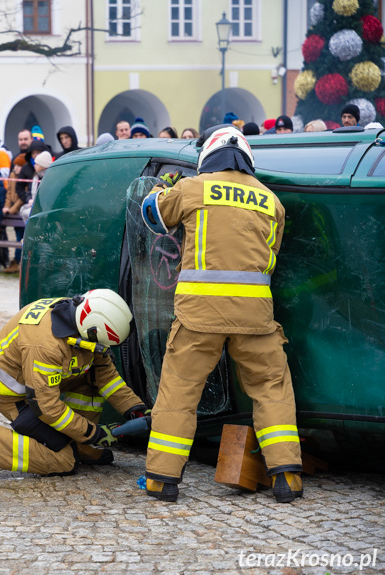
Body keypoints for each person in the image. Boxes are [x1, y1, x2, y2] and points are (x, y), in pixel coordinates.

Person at [140, 124, 302, 503]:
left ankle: (162, 479)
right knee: (272, 389)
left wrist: (161, 187)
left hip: (199, 316)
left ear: (208, 156)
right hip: (256, 318)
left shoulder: (193, 188)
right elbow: (270, 258)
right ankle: (288, 477)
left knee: (180, 390)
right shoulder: (271, 201)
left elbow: (153, 217)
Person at [0, 290, 149, 476]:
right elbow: (47, 408)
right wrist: (94, 434)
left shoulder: (79, 319)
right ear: (93, 331)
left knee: (90, 382)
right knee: (64, 461)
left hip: (41, 385)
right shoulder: (45, 344)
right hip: (13, 395)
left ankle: (78, 444)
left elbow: (104, 374)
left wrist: (134, 408)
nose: (103, 349)